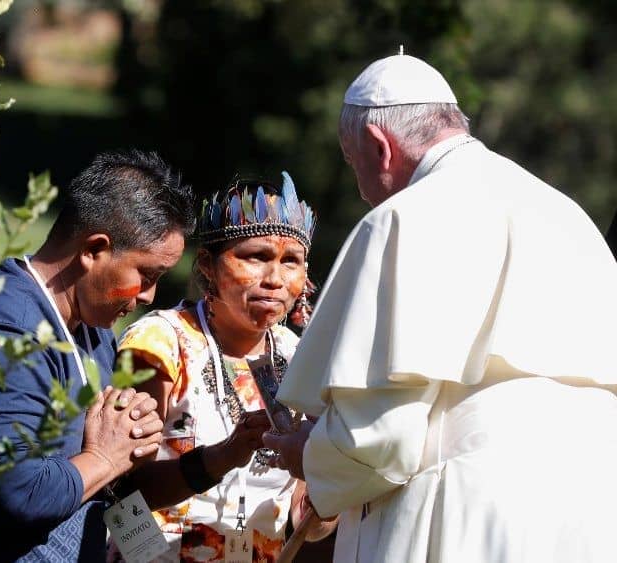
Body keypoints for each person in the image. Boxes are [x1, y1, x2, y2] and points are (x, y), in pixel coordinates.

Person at [262, 53, 617, 562]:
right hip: (591, 510)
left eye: (353, 163)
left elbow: (381, 440)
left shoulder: (404, 218)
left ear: (379, 147)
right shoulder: (568, 214)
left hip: (476, 509)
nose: (361, 190)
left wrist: (311, 456)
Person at [0, 150, 196, 561]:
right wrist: (105, 457)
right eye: (146, 275)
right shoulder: (7, 331)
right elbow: (18, 491)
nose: (149, 296)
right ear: (94, 250)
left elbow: (103, 481)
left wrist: (137, 446)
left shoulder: (92, 331)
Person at [117, 175, 336, 562]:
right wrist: (222, 456)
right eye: (256, 257)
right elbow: (120, 487)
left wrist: (331, 485)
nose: (274, 280)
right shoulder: (158, 344)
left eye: (291, 261)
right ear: (208, 265)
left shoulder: (298, 356)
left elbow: (308, 521)